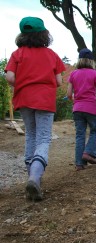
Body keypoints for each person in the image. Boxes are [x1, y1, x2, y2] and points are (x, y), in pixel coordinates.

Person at [5, 17, 66, 201]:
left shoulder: (17, 54)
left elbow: (9, 77)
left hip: (24, 99)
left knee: (30, 135)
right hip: (45, 99)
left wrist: (23, 82)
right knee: (44, 137)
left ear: (22, 35)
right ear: (44, 34)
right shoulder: (51, 55)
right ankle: (35, 176)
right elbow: (59, 81)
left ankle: (31, 175)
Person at [67, 48, 96, 171]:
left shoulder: (73, 74)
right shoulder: (95, 73)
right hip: (91, 107)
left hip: (77, 109)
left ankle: (79, 164)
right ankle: (88, 152)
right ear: (91, 61)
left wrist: (76, 100)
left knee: (80, 135)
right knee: (94, 131)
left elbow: (69, 94)